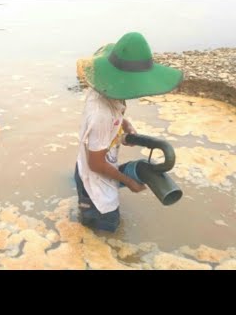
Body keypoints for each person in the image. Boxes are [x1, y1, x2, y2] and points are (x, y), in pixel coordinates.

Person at [74, 32, 183, 232]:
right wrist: (129, 182)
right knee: (107, 228)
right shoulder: (100, 115)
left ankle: (84, 213)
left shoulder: (106, 88)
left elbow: (115, 111)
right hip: (94, 181)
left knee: (89, 213)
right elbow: (96, 163)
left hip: (88, 166)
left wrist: (125, 125)